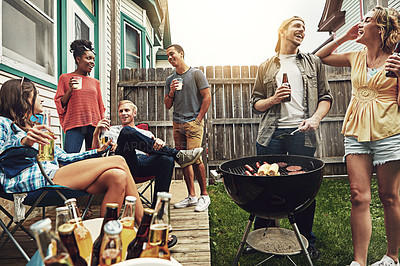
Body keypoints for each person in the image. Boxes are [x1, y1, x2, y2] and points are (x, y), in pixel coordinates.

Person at [316, 6, 400, 266]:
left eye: (366, 19)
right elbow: (321, 57)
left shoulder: (396, 59)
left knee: (389, 197)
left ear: (381, 28)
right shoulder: (355, 55)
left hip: (389, 132)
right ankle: (359, 261)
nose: (361, 23)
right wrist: (343, 37)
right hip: (355, 132)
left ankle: (392, 256)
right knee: (358, 195)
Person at [0, 78, 143, 223]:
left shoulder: (35, 127)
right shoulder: (3, 123)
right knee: (119, 160)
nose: (41, 99)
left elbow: (65, 158)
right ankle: (145, 226)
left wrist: (97, 151)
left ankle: (104, 236)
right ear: (25, 99)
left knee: (117, 176)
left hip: (51, 177)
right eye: (37, 94)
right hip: (32, 182)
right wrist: (23, 143)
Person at [250, 16, 333, 259]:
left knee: (303, 188)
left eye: (304, 28)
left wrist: (316, 119)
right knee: (265, 186)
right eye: (297, 26)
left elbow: (325, 97)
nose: (302, 31)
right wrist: (274, 99)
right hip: (271, 135)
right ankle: (262, 237)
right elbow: (256, 104)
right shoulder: (266, 66)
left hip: (302, 134)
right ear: (282, 31)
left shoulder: (313, 63)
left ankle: (306, 240)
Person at [92, 100, 204, 207]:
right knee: (126, 132)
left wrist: (159, 143)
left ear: (134, 113)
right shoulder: (110, 130)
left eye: (127, 110)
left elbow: (154, 148)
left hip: (142, 164)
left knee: (166, 159)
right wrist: (96, 134)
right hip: (122, 164)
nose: (123, 114)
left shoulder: (146, 133)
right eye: (121, 111)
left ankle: (158, 208)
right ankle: (177, 155)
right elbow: (96, 152)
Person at [164, 44, 212, 212]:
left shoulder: (196, 73)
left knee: (196, 158)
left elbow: (207, 97)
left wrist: (199, 119)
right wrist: (171, 91)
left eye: (172, 54)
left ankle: (204, 195)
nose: (170, 58)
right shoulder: (170, 80)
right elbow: (167, 105)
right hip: (177, 123)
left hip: (193, 123)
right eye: (167, 56)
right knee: (184, 159)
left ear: (181, 54)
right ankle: (192, 196)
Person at [54, 39, 105, 153]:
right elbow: (60, 103)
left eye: (93, 59)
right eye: (88, 58)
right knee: (69, 158)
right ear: (78, 59)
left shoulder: (95, 82)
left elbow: (100, 106)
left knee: (94, 159)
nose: (92, 62)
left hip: (93, 124)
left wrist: (102, 125)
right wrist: (70, 89)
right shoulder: (65, 78)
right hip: (74, 123)